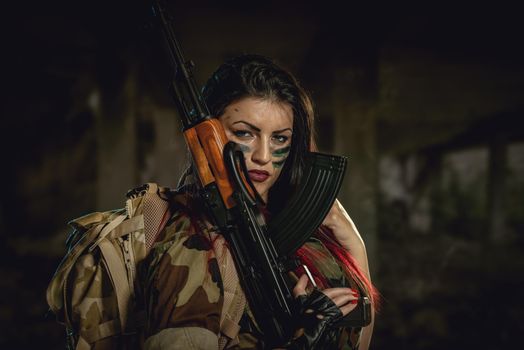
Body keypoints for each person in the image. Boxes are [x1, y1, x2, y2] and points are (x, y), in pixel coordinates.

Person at [139, 54, 378, 349]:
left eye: (280, 139)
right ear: (209, 138)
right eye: (244, 133)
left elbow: (358, 340)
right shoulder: (195, 245)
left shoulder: (293, 233)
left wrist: (355, 246)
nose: (263, 156)